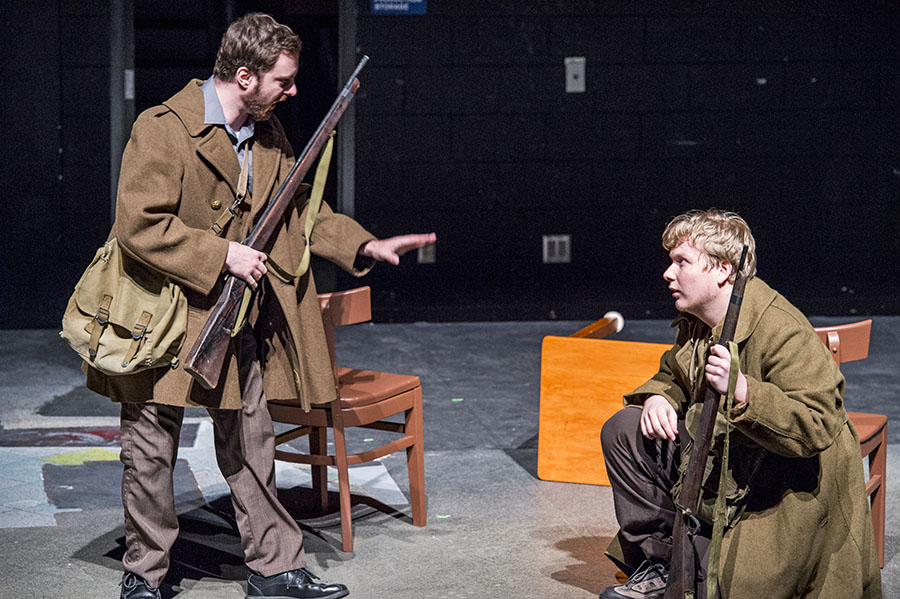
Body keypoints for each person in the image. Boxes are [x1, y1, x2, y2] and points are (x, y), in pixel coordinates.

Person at [85, 13, 435, 599]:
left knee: (253, 443)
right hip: (161, 320)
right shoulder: (165, 128)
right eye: (284, 80)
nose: (293, 91)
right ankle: (144, 575)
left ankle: (275, 568)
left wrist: (364, 244)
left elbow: (299, 212)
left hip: (231, 321)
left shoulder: (269, 139)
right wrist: (222, 254)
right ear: (245, 77)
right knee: (149, 451)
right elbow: (138, 225)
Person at [597, 209, 881, 599]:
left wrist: (746, 392)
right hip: (724, 460)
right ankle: (662, 561)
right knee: (625, 429)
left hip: (782, 476)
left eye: (682, 262)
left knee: (733, 584)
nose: (668, 273)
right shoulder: (699, 319)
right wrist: (658, 397)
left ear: (723, 270)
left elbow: (817, 422)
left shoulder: (781, 328)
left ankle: (697, 559)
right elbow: (676, 373)